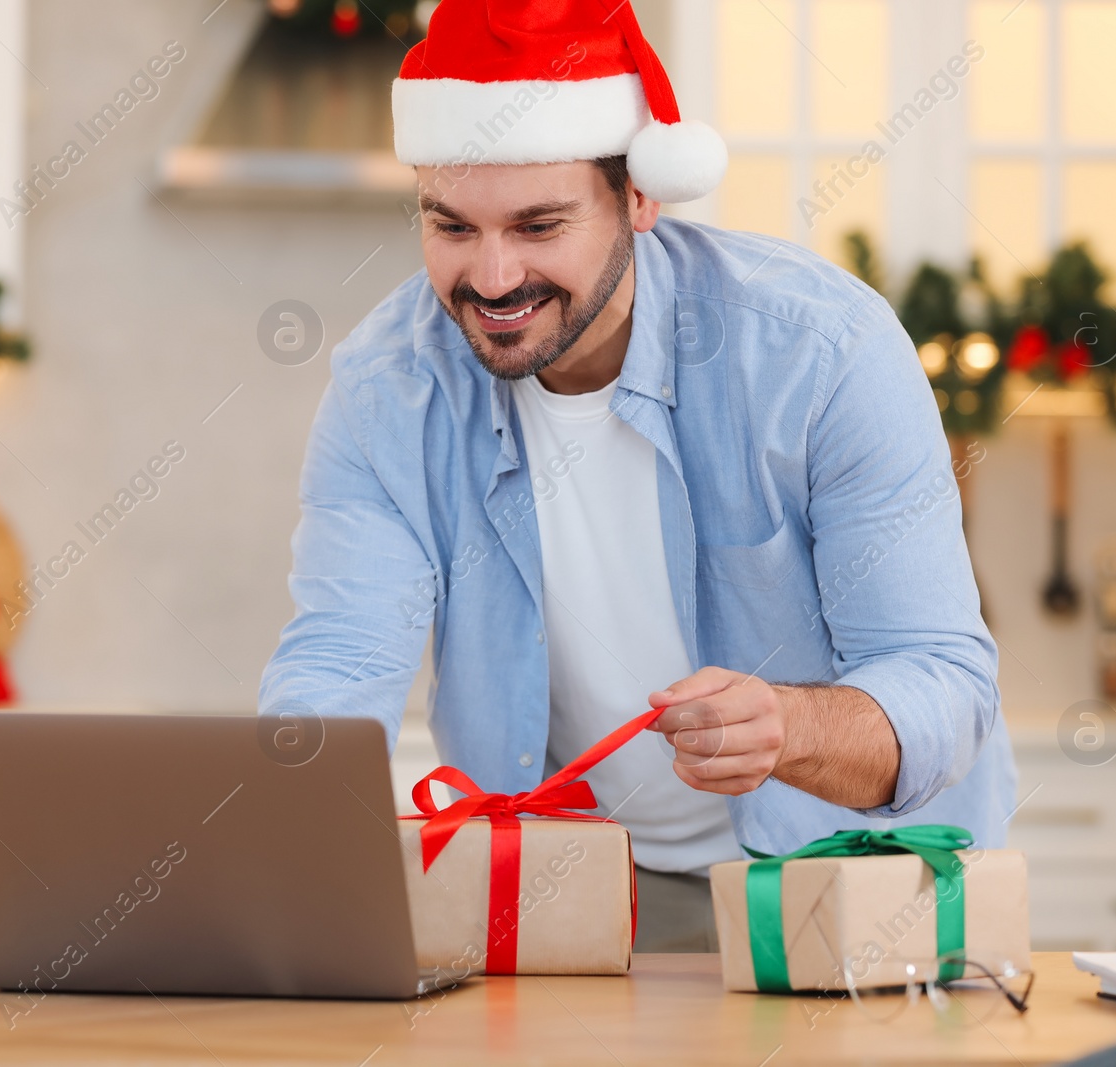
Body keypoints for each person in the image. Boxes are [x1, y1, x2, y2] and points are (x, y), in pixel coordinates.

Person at [257, 0, 1014, 953]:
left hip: (856, 886)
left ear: (641, 199)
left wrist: (788, 725)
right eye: (451, 226)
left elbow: (946, 683)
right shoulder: (388, 389)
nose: (491, 278)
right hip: (575, 890)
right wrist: (281, 856)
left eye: (539, 227)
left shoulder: (821, 354)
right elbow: (338, 661)